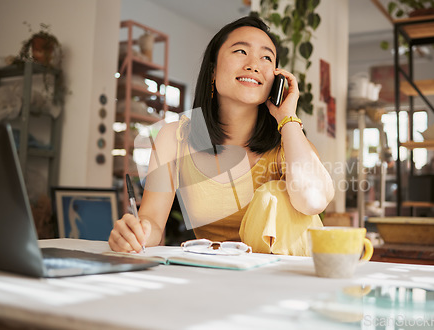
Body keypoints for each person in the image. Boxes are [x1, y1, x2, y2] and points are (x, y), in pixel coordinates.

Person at [109, 16, 334, 256]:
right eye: (240, 51)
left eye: (266, 57)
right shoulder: (173, 138)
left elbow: (314, 202)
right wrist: (136, 233)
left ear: (275, 80)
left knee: (273, 193)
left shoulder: (287, 144)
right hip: (216, 277)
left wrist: (287, 117)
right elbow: (152, 221)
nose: (253, 64)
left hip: (287, 281)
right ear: (213, 70)